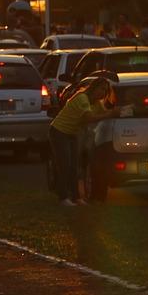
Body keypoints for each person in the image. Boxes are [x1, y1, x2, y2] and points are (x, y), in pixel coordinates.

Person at [48, 77, 120, 206]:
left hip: (72, 133)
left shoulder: (96, 102)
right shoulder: (82, 98)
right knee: (65, 165)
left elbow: (105, 112)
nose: (103, 93)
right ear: (94, 88)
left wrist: (120, 111)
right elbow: (89, 118)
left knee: (74, 166)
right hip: (59, 131)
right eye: (101, 89)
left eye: (105, 90)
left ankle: (75, 197)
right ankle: (63, 197)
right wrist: (110, 114)